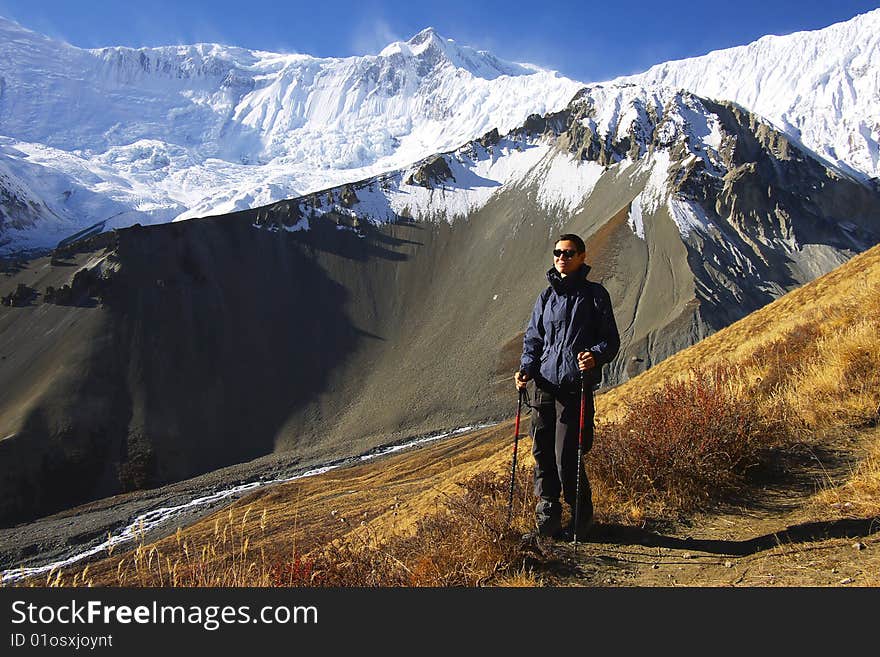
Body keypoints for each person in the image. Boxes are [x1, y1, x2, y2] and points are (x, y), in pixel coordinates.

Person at [515, 234, 620, 539]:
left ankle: (581, 518)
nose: (562, 256)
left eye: (569, 252)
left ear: (582, 257)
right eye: (558, 252)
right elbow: (533, 340)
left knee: (566, 454)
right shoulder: (545, 298)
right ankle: (547, 519)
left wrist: (595, 356)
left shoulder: (595, 295)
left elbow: (610, 341)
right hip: (543, 385)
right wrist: (525, 370)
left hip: (574, 386)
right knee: (542, 451)